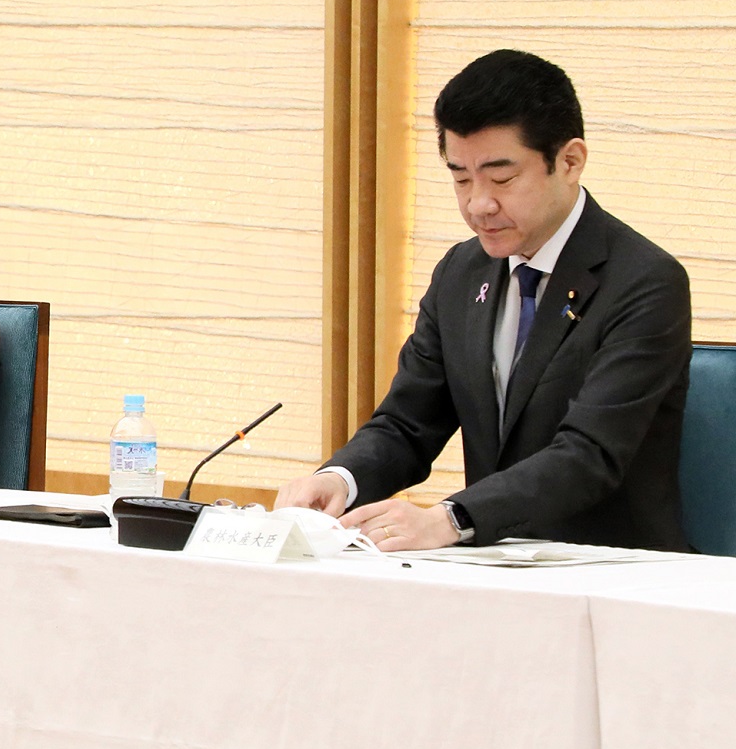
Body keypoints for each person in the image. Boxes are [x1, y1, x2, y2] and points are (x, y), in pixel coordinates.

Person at [277, 50, 691, 551]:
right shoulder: (461, 272)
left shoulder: (645, 281)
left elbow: (589, 454)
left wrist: (451, 519)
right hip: (491, 564)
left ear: (569, 161)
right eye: (460, 178)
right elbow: (408, 424)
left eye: (502, 179)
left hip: (612, 569)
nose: (478, 204)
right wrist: (340, 479)